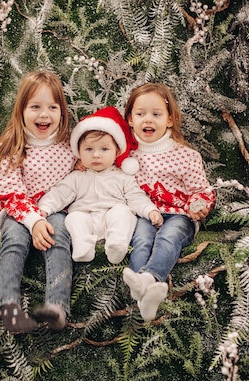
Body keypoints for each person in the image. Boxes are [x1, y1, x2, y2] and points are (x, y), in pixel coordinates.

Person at [0, 70, 76, 333]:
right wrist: (33, 221)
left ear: (62, 111)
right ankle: (10, 308)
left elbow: (78, 181)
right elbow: (10, 193)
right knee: (14, 241)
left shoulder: (70, 145)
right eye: (35, 107)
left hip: (56, 211)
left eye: (52, 107)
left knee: (59, 236)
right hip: (19, 211)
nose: (44, 115)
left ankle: (57, 307)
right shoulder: (12, 145)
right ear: (21, 110)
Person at [121, 83, 215, 322]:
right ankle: (144, 294)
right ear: (130, 119)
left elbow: (200, 190)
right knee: (141, 239)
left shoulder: (185, 156)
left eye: (156, 114)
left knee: (168, 237)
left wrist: (198, 206)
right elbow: (100, 167)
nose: (148, 120)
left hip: (179, 215)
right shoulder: (124, 154)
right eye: (140, 114)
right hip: (144, 213)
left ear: (170, 119)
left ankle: (149, 278)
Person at [38, 106, 163, 265]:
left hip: (112, 220)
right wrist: (44, 209)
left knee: (123, 212)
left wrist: (149, 210)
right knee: (73, 218)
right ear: (79, 152)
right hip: (87, 220)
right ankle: (83, 245)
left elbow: (136, 197)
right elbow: (59, 194)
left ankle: (117, 244)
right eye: (89, 149)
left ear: (117, 152)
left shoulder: (122, 177)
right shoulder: (77, 177)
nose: (96, 155)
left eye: (104, 149)